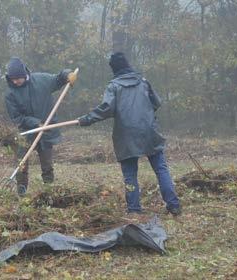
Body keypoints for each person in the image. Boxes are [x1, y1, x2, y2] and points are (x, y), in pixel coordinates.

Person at [77, 52, 181, 215]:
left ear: (114, 69)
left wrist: (86, 119)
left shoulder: (113, 86)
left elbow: (106, 109)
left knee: (130, 174)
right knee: (161, 169)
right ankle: (173, 205)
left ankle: (134, 210)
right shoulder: (143, 82)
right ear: (128, 64)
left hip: (126, 135)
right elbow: (157, 103)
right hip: (149, 131)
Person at [4, 57, 76, 196]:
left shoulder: (42, 80)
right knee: (22, 165)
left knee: (47, 165)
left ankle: (48, 192)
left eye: (18, 78)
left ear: (24, 74)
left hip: (46, 132)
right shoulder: (10, 94)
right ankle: (22, 194)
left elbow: (58, 79)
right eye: (13, 79)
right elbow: (17, 118)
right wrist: (35, 122)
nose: (15, 81)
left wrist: (68, 74)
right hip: (25, 132)